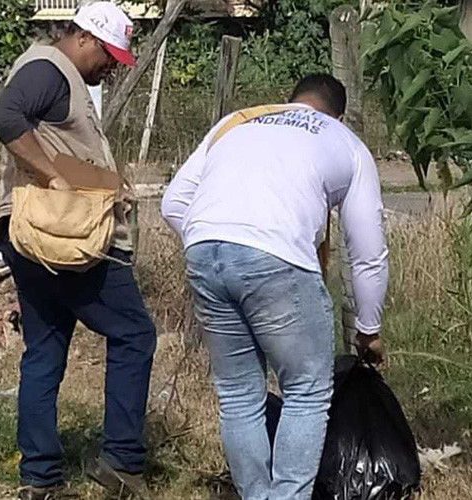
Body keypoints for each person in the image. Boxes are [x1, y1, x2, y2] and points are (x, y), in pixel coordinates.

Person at [161, 74, 389, 500]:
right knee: (305, 391)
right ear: (337, 112)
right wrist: (369, 328)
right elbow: (368, 251)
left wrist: (220, 241)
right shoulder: (345, 141)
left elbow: (174, 201)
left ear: (291, 102)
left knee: (238, 395)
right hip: (276, 258)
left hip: (204, 250)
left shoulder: (239, 122)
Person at [0, 3, 155, 499]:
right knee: (134, 334)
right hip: (66, 236)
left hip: (32, 233)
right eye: (109, 54)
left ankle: (39, 476)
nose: (111, 65)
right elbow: (3, 114)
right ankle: (122, 461)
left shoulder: (59, 76)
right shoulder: (49, 69)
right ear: (85, 38)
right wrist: (55, 177)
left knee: (46, 347)